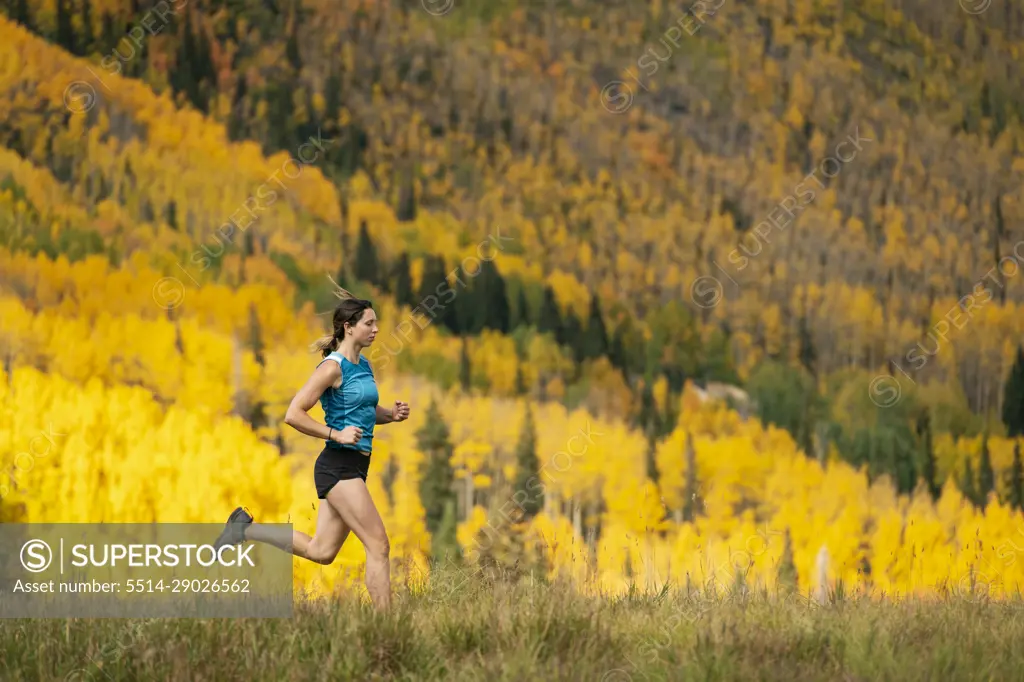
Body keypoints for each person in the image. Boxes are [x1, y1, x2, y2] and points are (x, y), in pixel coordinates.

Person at [213, 287, 410, 610]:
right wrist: (335, 434)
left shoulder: (363, 366)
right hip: (338, 466)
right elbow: (293, 414)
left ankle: (245, 529)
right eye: (369, 324)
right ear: (349, 326)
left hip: (356, 465)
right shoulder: (331, 368)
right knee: (379, 545)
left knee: (322, 552)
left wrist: (391, 415)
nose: (376, 330)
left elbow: (362, 412)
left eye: (377, 324)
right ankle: (386, 627)